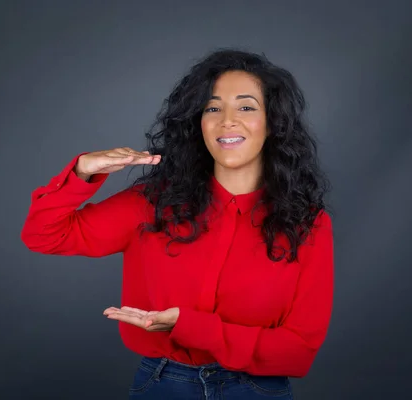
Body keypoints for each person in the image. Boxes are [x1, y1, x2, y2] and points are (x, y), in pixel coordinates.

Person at [21, 49, 334, 399]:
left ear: (274, 122)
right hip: (164, 386)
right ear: (198, 122)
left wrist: (189, 327)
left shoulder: (309, 224)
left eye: (246, 107)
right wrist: (81, 172)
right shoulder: (152, 203)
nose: (227, 120)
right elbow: (43, 236)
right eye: (213, 108)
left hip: (257, 391)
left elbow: (298, 351)